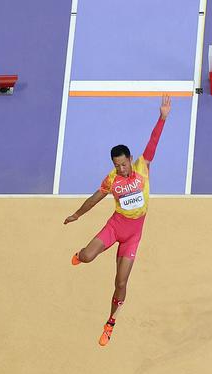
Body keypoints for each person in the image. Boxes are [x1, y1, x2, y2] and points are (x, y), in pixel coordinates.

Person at [65, 93, 171, 347]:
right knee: (88, 257)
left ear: (129, 159)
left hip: (133, 235)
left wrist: (162, 118)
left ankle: (110, 322)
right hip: (115, 226)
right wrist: (78, 214)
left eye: (123, 164)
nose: (121, 169)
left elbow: (153, 141)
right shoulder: (111, 179)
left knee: (120, 282)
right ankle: (80, 254)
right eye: (117, 165)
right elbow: (95, 198)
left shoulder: (143, 166)